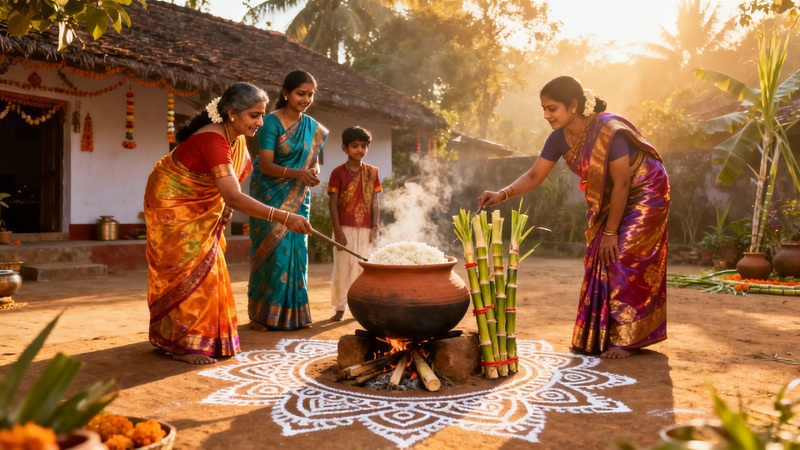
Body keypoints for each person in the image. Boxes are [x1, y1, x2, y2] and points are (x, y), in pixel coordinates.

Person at [477, 75, 670, 359]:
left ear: (574, 106)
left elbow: (622, 182)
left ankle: (627, 339)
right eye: (543, 109)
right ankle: (599, 334)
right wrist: (502, 194)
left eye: (552, 108)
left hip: (645, 189)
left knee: (621, 253)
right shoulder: (558, 139)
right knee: (598, 257)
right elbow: (534, 175)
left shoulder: (610, 132)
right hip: (613, 196)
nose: (546, 115)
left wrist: (610, 232)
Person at [144, 82, 313, 365]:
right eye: (254, 115)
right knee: (187, 268)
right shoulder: (214, 141)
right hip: (174, 204)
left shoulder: (235, 139)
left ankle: (194, 337)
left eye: (262, 115)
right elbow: (233, 194)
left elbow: (227, 190)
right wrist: (285, 217)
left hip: (202, 205)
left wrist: (223, 206)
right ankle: (184, 344)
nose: (260, 122)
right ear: (232, 113)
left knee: (210, 268)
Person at [248, 70, 328, 331]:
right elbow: (266, 165)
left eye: (310, 94)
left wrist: (313, 172)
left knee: (297, 254)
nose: (306, 99)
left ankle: (295, 316)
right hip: (269, 197)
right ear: (285, 93)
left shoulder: (313, 127)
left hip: (298, 197)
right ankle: (263, 316)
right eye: (300, 93)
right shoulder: (270, 122)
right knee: (273, 256)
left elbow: (314, 162)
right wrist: (298, 173)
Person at [327, 126, 382, 322]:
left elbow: (375, 202)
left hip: (366, 228)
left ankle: (362, 306)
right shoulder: (337, 173)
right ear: (345, 148)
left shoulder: (372, 172)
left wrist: (375, 227)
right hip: (343, 228)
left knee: (362, 268)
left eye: (364, 146)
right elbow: (332, 203)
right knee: (342, 268)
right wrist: (337, 230)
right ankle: (340, 307)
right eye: (355, 146)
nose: (359, 150)